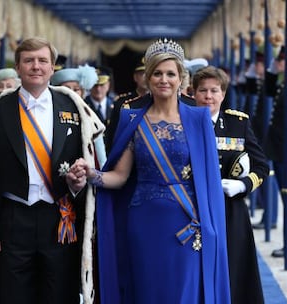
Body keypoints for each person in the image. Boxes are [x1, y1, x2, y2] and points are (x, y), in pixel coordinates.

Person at [69, 38, 231, 303]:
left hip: (188, 224)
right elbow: (119, 176)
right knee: (148, 292)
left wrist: (212, 227)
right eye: (157, 73)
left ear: (181, 79)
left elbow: (210, 180)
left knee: (184, 292)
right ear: (147, 78)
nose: (163, 79)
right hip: (143, 223)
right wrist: (91, 173)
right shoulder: (132, 119)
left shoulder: (199, 119)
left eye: (170, 74)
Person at [0, 37, 105, 304]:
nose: (36, 66)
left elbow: (87, 164)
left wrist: (77, 184)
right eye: (28, 61)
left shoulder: (74, 108)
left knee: (60, 294)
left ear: (52, 67)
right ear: (18, 67)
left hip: (60, 219)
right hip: (13, 220)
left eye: (42, 61)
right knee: (13, 296)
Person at [193, 65, 268, 304]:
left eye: (214, 91)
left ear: (223, 94)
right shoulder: (182, 124)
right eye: (202, 90)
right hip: (193, 209)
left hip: (230, 210)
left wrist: (243, 185)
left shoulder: (238, 123)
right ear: (193, 93)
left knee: (233, 270)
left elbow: (261, 166)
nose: (208, 96)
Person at [263, 46, 287, 257]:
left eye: (281, 61)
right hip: (280, 148)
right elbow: (268, 91)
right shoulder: (285, 85)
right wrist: (271, 71)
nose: (278, 64)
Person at [105, 56, 149, 153]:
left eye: (148, 74)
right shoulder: (122, 103)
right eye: (142, 74)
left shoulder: (158, 102)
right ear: (135, 77)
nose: (146, 77)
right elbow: (112, 135)